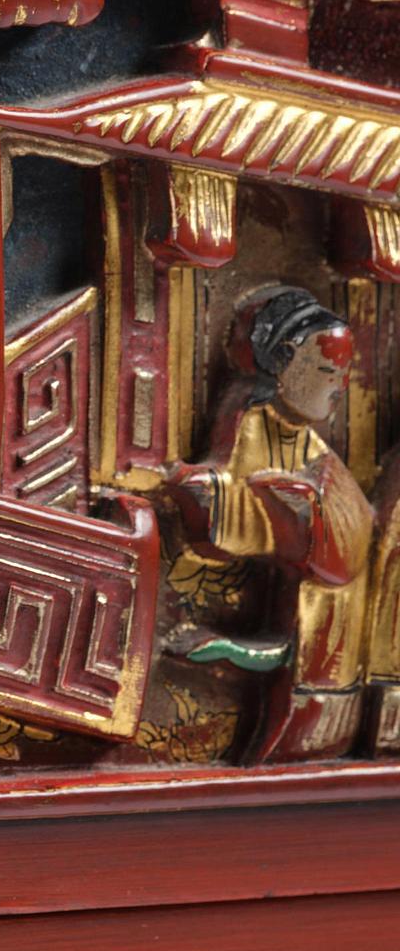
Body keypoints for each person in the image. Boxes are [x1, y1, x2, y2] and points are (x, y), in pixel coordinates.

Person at [166, 284, 371, 762]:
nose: (338, 387)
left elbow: (345, 540)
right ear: (282, 360)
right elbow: (227, 495)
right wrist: (188, 484)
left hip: (327, 622)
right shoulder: (250, 421)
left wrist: (308, 507)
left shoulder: (320, 457)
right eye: (325, 369)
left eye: (344, 373)